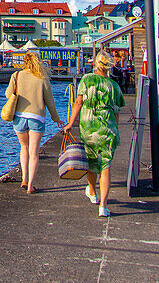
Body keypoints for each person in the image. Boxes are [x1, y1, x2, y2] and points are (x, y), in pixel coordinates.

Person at [64, 50, 125, 217]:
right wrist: (115, 129)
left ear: (95, 63)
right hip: (108, 128)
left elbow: (78, 103)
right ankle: (103, 206)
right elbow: (117, 110)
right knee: (105, 166)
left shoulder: (87, 80)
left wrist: (70, 123)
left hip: (89, 127)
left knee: (91, 162)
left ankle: (92, 192)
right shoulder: (113, 86)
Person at [5, 51, 62, 194]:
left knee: (23, 147)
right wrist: (56, 118)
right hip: (36, 117)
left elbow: (7, 94)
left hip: (19, 116)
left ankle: (24, 178)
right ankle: (30, 185)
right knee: (34, 152)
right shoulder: (42, 78)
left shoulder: (16, 75)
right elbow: (50, 101)